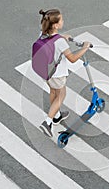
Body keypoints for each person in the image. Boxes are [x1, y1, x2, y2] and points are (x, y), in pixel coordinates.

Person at [38, 9, 91, 137]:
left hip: (46, 72)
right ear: (55, 25)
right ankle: (48, 121)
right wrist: (85, 47)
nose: (63, 21)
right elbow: (72, 59)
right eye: (61, 19)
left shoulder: (42, 34)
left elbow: (53, 40)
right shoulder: (60, 42)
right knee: (61, 94)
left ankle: (57, 116)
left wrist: (62, 37)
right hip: (57, 74)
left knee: (53, 92)